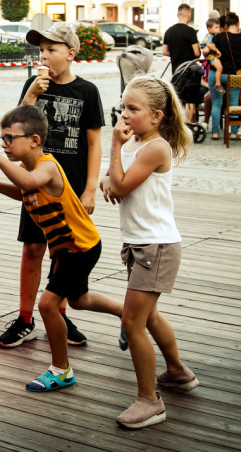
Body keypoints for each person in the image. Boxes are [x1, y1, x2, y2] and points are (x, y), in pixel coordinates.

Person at [0, 105, 122, 393]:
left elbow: (30, 183)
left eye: (9, 139)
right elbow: (25, 190)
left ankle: (61, 370)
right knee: (78, 300)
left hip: (79, 247)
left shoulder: (47, 166)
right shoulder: (27, 170)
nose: (4, 145)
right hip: (68, 249)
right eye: (1, 139)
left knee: (47, 305)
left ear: (34, 140)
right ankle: (128, 315)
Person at [99, 75, 198, 429]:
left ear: (156, 116)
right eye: (123, 106)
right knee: (150, 317)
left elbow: (122, 184)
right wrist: (108, 178)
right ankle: (177, 372)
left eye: (132, 109)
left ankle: (149, 402)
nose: (124, 114)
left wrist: (113, 152)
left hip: (157, 245)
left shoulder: (155, 147)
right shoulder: (134, 143)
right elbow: (115, 181)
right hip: (139, 243)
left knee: (132, 321)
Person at [0, 22, 103, 349]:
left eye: (51, 50)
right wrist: (32, 94)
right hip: (34, 183)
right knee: (32, 248)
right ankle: (26, 317)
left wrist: (90, 188)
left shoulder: (87, 91)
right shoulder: (34, 85)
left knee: (64, 252)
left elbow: (95, 143)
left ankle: (57, 312)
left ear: (70, 54)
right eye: (41, 50)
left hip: (68, 186)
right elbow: (15, 124)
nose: (44, 56)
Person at [209, 12, 241, 141]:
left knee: (217, 104)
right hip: (234, 75)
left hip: (217, 73)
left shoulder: (219, 37)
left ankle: (215, 133)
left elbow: (211, 52)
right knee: (233, 103)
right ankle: (234, 133)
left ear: (226, 25)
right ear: (238, 24)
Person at [162, 4, 201, 122]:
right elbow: (197, 53)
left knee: (180, 97)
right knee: (190, 100)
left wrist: (175, 54)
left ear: (178, 15)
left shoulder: (169, 31)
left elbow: (164, 51)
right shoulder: (190, 31)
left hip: (176, 69)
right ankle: (189, 125)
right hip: (190, 69)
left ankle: (184, 124)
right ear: (189, 16)